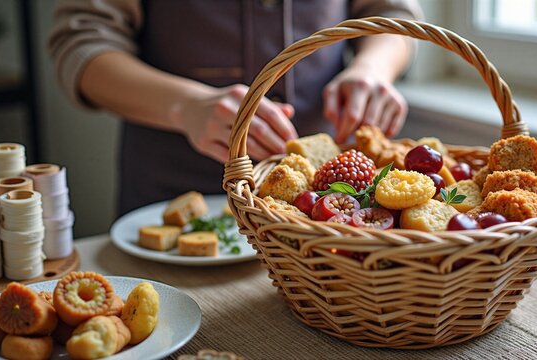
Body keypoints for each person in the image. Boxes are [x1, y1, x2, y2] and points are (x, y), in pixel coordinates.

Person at [49, 0, 423, 215]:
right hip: (170, 198)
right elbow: (81, 42)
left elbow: (391, 10)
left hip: (320, 218)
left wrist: (373, 66)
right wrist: (185, 106)